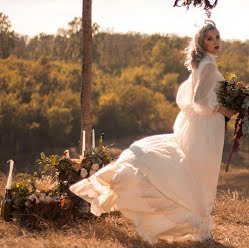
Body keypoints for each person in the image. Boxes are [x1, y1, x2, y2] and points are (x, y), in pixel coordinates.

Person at [69, 22, 236, 243]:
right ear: (201, 43)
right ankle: (197, 227)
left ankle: (198, 225)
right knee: (199, 173)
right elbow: (198, 101)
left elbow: (188, 97)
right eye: (210, 39)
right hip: (205, 127)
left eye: (217, 37)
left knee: (196, 171)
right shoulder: (208, 66)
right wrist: (224, 109)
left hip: (204, 125)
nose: (216, 42)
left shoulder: (204, 64)